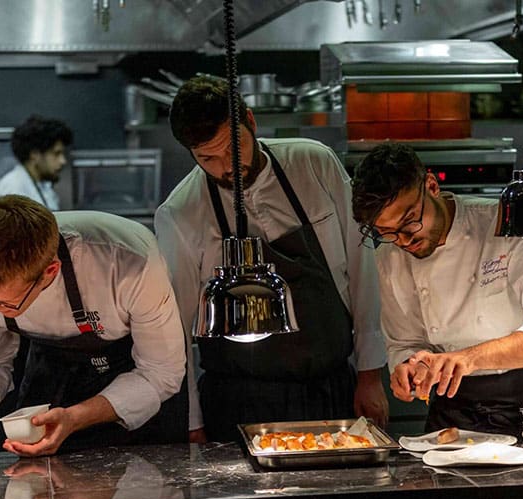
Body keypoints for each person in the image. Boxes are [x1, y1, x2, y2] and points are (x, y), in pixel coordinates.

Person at [155, 75, 388, 442]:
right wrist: (192, 422)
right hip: (238, 402)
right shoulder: (181, 213)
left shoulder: (314, 164)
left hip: (331, 389)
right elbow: (176, 332)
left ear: (250, 121)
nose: (226, 167)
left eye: (233, 148)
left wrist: (370, 375)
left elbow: (363, 269)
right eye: (207, 158)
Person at [350, 142, 523, 437]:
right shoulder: (389, 257)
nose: (404, 240)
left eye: (410, 222)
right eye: (387, 233)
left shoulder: (502, 224)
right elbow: (404, 341)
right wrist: (412, 367)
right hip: (455, 413)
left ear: (431, 186)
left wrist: (468, 358)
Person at [0, 195, 187, 456]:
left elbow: (160, 373)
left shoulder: (129, 264)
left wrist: (74, 418)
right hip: (50, 374)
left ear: (50, 271)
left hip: (135, 385)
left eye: (5, 303)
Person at [0, 115, 73, 210]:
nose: (63, 161)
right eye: (56, 153)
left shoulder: (43, 186)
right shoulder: (14, 190)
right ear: (34, 154)